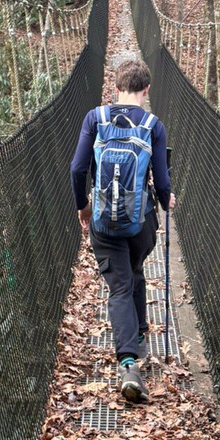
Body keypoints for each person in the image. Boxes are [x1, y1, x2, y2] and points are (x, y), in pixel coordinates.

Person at [70, 59, 175, 403]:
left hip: (103, 222)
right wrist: (165, 199)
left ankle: (129, 363)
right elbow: (161, 180)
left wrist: (83, 206)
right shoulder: (153, 125)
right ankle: (140, 334)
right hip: (139, 222)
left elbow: (78, 168)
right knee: (134, 269)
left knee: (119, 286)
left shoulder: (95, 118)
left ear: (115, 89)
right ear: (146, 90)